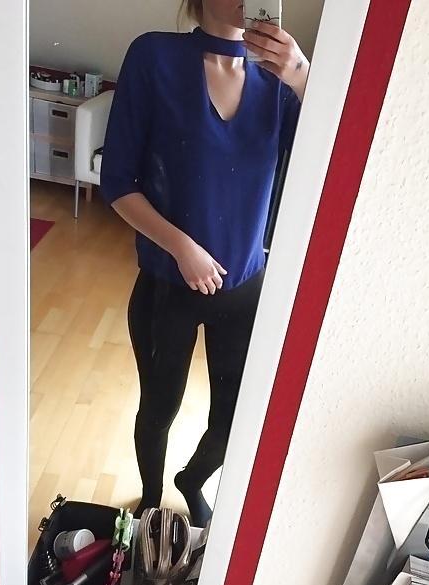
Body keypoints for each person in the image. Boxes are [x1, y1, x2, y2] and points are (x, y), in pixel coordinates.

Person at [100, 0, 309, 526]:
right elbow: (118, 181)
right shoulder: (154, 57)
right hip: (166, 284)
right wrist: (181, 247)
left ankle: (191, 480)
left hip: (245, 288)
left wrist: (304, 78)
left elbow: (332, 156)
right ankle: (149, 502)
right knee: (159, 408)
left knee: (235, 417)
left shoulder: (281, 82)